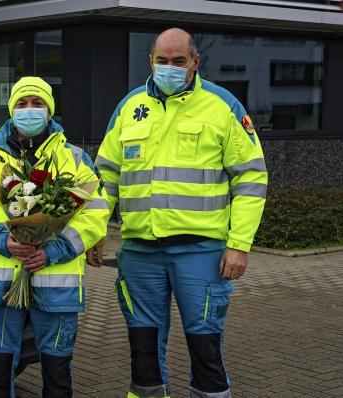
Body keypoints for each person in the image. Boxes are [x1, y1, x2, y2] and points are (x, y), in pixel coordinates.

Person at [91, 28, 268, 398]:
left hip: (201, 253)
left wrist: (239, 245)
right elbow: (105, 176)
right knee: (142, 348)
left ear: (195, 62)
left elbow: (251, 179)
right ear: (150, 61)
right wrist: (94, 231)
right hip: (140, 251)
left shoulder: (223, 106)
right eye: (162, 61)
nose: (169, 67)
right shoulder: (129, 107)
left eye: (179, 61)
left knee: (205, 348)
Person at [0, 76, 108, 398]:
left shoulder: (76, 160)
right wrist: (3, 240)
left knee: (57, 377)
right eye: (22, 104)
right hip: (0, 285)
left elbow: (97, 213)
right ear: (11, 111)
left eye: (37, 104)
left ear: (50, 111)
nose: (30, 110)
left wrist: (55, 250)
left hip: (56, 282)